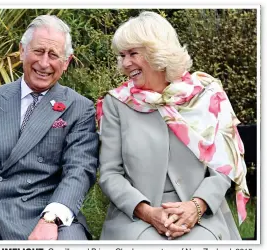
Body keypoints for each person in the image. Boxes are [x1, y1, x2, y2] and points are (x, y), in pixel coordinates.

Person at [0, 15, 99, 240]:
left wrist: (51, 218)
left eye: (53, 55)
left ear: (66, 62)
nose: (44, 63)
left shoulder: (79, 108)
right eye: (38, 51)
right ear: (22, 51)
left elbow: (79, 171)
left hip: (53, 218)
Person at [97, 11, 249, 240]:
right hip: (136, 218)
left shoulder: (206, 95)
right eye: (122, 55)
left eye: (133, 53)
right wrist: (148, 212)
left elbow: (223, 166)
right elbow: (110, 173)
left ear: (157, 52)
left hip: (201, 214)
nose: (125, 63)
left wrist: (196, 207)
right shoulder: (117, 103)